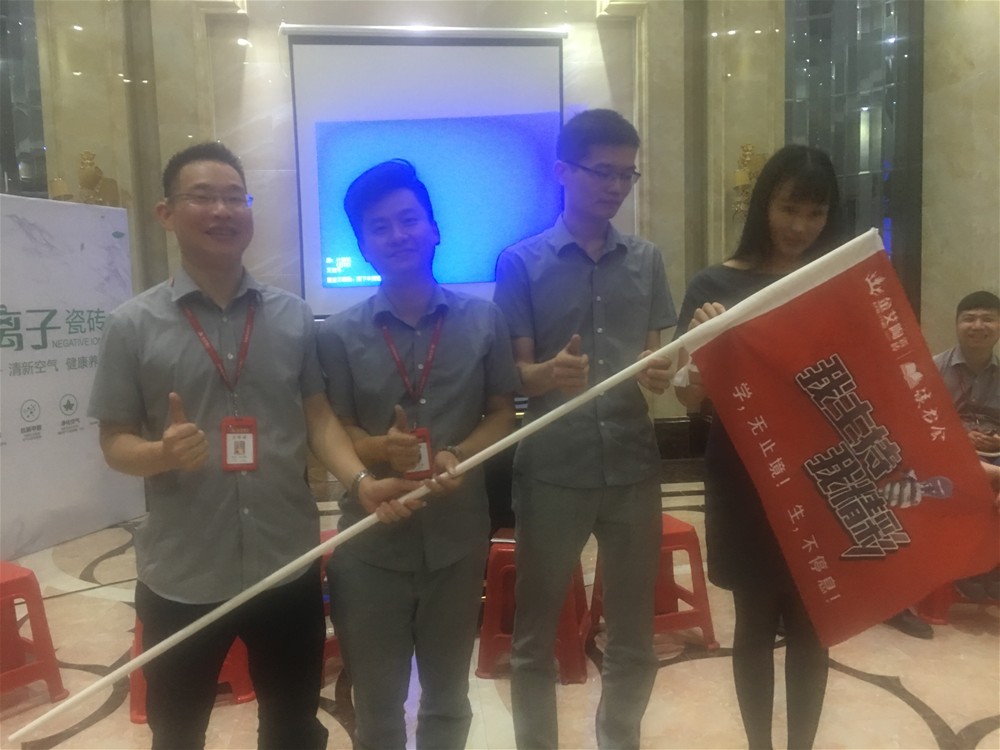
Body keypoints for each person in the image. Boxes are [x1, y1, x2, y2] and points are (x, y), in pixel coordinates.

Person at [87, 142, 416, 750]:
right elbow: (114, 442)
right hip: (184, 574)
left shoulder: (292, 317)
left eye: (234, 197)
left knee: (293, 727)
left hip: (285, 566)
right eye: (202, 197)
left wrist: (361, 483)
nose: (222, 210)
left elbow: (318, 418)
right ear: (166, 213)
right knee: (177, 731)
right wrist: (159, 454)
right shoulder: (131, 325)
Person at [316, 160, 519, 750]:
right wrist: (379, 450)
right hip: (372, 546)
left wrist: (459, 454)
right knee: (378, 707)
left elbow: (502, 413)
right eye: (379, 227)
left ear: (434, 229)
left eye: (409, 219)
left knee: (448, 700)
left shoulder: (483, 320)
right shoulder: (337, 335)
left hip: (456, 541)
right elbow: (338, 429)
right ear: (363, 247)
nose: (398, 235)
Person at [493, 108, 676, 750]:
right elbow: (513, 374)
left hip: (632, 465)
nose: (616, 186)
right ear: (563, 171)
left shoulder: (646, 260)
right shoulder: (520, 262)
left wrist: (662, 370)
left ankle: (619, 741)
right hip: (552, 468)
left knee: (633, 636)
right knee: (535, 636)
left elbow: (657, 358)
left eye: (627, 174)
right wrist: (545, 374)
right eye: (603, 172)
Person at [673, 144, 842, 749]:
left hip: (820, 470)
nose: (800, 226)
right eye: (789, 208)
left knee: (813, 624)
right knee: (753, 622)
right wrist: (703, 347)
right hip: (744, 472)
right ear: (764, 204)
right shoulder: (714, 284)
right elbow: (687, 397)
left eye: (815, 213)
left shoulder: (834, 280)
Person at [933, 290, 1000, 601]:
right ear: (957, 324)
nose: (978, 326)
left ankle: (992, 567)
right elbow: (917, 421)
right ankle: (968, 570)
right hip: (949, 453)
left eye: (988, 319)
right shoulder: (933, 368)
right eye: (969, 319)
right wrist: (958, 435)